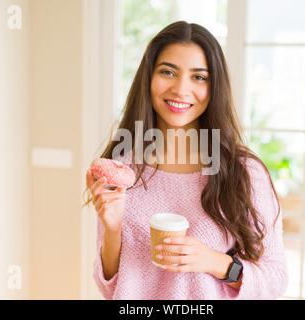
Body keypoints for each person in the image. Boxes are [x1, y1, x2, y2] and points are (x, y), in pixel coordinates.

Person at [86, 21, 288, 300]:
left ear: (214, 86)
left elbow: (275, 278)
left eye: (199, 77)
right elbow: (109, 286)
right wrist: (112, 228)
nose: (181, 89)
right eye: (168, 72)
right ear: (148, 77)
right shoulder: (122, 168)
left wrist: (215, 263)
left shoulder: (243, 172)